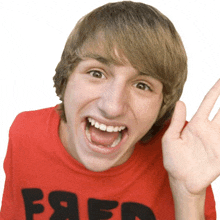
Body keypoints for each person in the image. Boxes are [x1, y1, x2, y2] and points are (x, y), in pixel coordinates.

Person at [0, 1, 219, 219]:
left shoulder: (186, 153)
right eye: (96, 73)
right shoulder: (25, 134)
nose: (112, 107)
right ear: (66, 78)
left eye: (142, 85)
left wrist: (188, 197)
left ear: (163, 107)